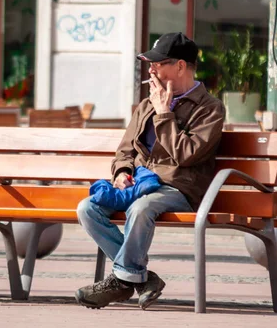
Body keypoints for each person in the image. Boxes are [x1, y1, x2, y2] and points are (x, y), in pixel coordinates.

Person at [75, 32, 225, 310]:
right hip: (139, 183)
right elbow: (125, 150)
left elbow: (186, 155)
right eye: (149, 63)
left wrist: (164, 114)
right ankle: (140, 278)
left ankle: (121, 282)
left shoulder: (210, 109)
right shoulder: (146, 105)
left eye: (158, 63)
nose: (151, 69)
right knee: (87, 208)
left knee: (142, 208)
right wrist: (121, 172)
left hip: (180, 187)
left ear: (181, 66)